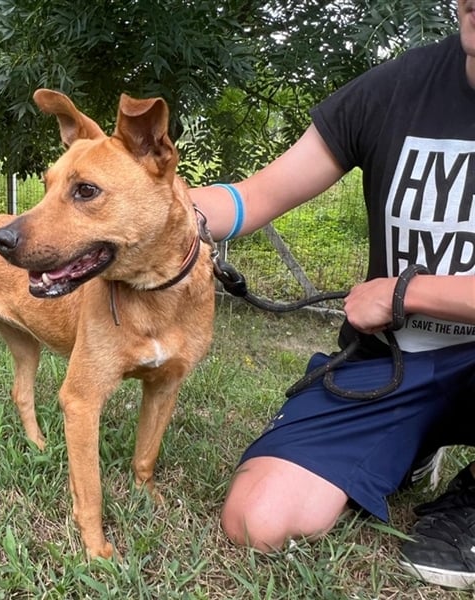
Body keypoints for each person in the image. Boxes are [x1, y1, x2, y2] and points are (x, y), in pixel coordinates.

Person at [189, 0, 475, 589]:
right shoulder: (397, 86)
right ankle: (409, 443)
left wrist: (408, 293)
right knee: (258, 521)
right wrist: (149, 214)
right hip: (390, 362)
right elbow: (259, 194)